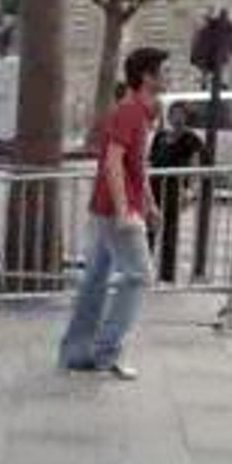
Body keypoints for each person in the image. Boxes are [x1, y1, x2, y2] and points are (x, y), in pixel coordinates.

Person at [59, 48, 168, 380]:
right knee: (139, 276)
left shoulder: (142, 113)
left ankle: (76, 353)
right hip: (116, 210)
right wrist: (125, 211)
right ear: (147, 77)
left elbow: (138, 165)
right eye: (164, 71)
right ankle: (107, 351)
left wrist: (149, 203)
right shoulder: (129, 112)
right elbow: (113, 162)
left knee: (95, 280)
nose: (169, 76)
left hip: (116, 207)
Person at [148, 103, 206, 283]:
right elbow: (151, 160)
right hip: (154, 187)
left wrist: (190, 191)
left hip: (174, 189)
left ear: (187, 117)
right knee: (149, 228)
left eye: (180, 114)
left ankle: (166, 275)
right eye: (173, 113)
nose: (176, 117)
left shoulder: (192, 139)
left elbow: (196, 165)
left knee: (169, 232)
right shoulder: (160, 136)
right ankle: (145, 268)